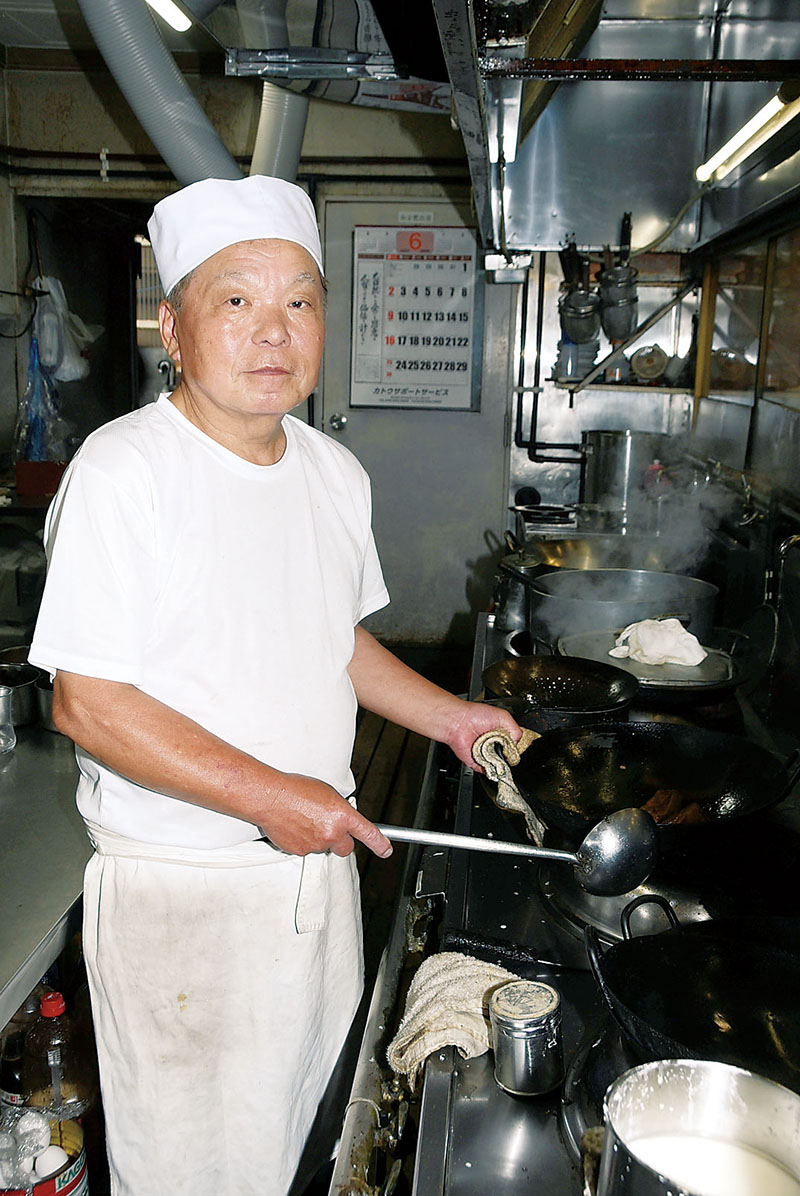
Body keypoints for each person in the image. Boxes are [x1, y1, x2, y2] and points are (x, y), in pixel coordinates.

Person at [29, 174, 520, 1196]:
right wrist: (268, 796)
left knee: (308, 1149)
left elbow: (329, 641)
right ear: (173, 325)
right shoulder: (126, 472)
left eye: (298, 300)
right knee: (193, 1173)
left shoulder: (332, 471)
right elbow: (88, 702)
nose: (272, 329)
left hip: (314, 873)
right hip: (184, 899)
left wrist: (449, 715)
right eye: (235, 299)